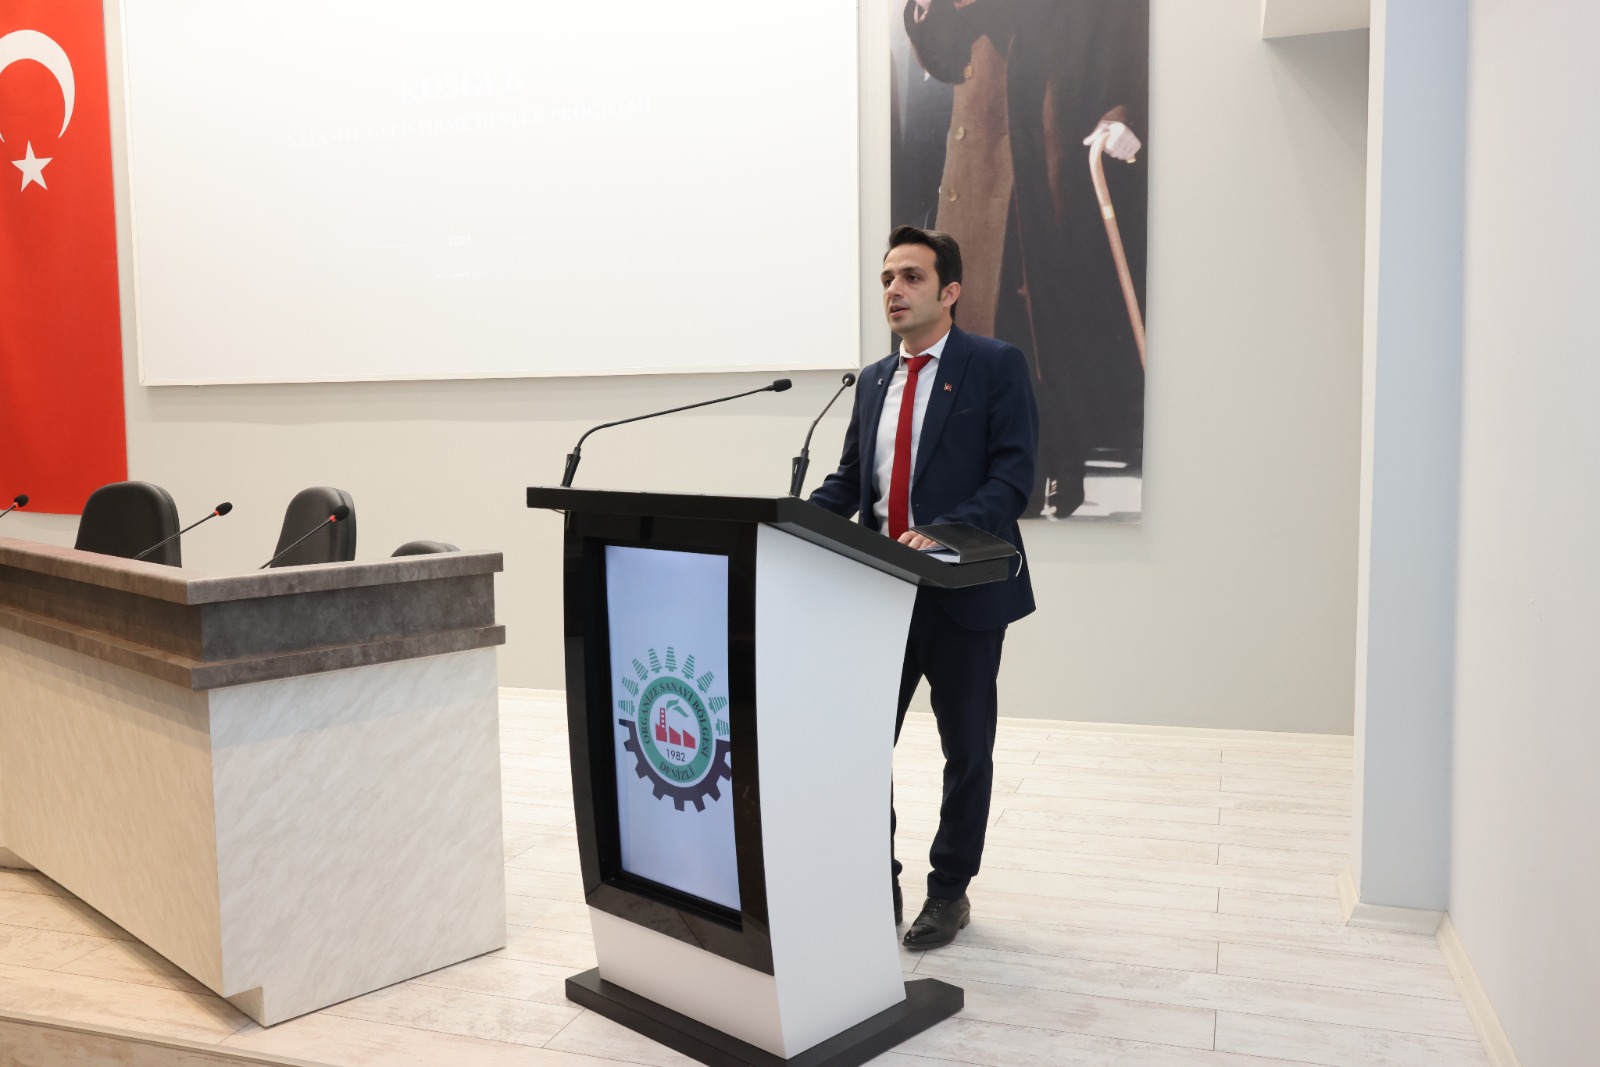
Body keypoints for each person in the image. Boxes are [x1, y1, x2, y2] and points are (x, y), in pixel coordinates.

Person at [809, 225, 1037, 949]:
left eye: (911, 276)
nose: (894, 290)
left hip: (963, 595)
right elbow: (853, 482)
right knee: (860, 745)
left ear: (950, 291)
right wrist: (789, 521)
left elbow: (1012, 477)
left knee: (965, 750)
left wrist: (943, 530)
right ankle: (876, 877)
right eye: (886, 278)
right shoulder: (873, 380)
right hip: (882, 594)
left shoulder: (993, 365)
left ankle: (949, 891)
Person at [900, 0, 1148, 517]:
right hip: (981, 169)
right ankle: (1008, 476)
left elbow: (1126, 42)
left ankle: (1060, 460)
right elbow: (944, 58)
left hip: (1050, 158)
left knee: (1047, 326)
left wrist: (1124, 115)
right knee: (982, 334)